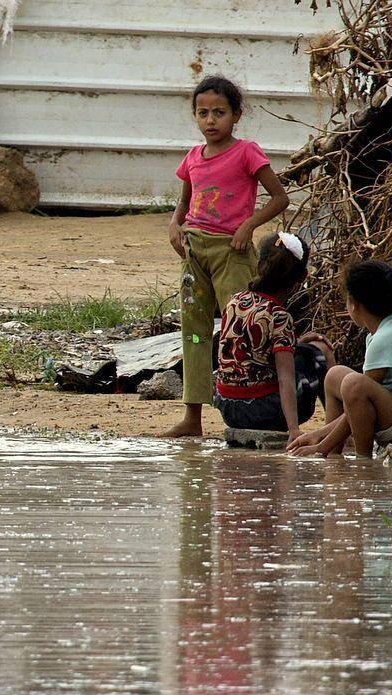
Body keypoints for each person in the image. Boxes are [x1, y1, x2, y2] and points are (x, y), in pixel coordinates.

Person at [162, 74, 289, 439]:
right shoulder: (192, 158)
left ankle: (248, 411)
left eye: (219, 112)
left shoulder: (247, 151)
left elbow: (280, 198)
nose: (211, 121)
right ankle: (193, 418)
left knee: (240, 332)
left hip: (231, 252)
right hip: (194, 253)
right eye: (203, 113)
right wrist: (174, 225)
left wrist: (248, 226)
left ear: (236, 114)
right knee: (196, 334)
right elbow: (185, 201)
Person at [287, 261, 392, 458]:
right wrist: (320, 437)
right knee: (334, 375)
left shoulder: (384, 338)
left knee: (354, 385)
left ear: (354, 304)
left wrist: (320, 442)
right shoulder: (383, 332)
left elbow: (357, 400)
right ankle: (334, 454)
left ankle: (363, 461)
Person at [213, 233, 334, 441]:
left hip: (228, 407)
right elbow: (285, 378)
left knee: (307, 349)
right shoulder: (278, 316)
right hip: (264, 411)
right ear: (303, 277)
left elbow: (250, 351)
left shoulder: (234, 302)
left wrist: (295, 344)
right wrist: (293, 430)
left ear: (259, 265)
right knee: (320, 353)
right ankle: (334, 427)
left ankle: (334, 427)